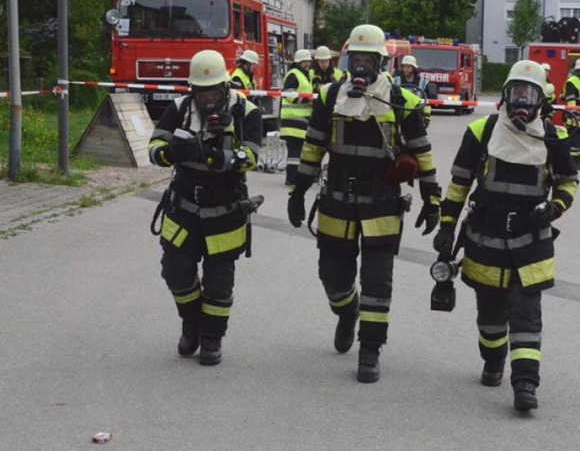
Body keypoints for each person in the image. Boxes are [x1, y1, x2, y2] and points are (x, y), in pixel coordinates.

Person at [287, 24, 440, 383]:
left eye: (368, 60)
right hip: (337, 204)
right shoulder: (330, 97)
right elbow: (313, 146)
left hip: (381, 206)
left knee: (377, 283)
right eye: (356, 58)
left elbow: (422, 152)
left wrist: (431, 197)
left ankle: (370, 350)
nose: (361, 66)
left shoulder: (402, 101)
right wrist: (298, 190)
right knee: (332, 277)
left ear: (381, 63)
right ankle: (346, 312)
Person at [432, 59, 578, 411]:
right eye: (517, 93)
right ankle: (493, 359)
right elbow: (459, 183)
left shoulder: (554, 137)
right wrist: (447, 226)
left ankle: (525, 383)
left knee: (527, 314)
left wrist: (555, 208)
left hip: (532, 244)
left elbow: (568, 182)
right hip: (486, 241)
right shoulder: (481, 132)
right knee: (490, 318)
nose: (522, 102)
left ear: (541, 100)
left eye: (529, 94)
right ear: (505, 95)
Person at [147, 49, 262, 366]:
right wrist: (171, 152)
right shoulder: (180, 108)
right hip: (183, 206)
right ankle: (191, 324)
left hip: (225, 208)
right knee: (175, 269)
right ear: (193, 90)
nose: (208, 99)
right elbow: (154, 147)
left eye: (213, 92)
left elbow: (251, 156)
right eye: (202, 92)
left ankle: (212, 338)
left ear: (225, 86)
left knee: (219, 281)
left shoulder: (246, 111)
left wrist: (213, 157)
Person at [280, 49, 314, 187]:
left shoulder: (304, 75)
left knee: (298, 151)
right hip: (292, 119)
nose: (307, 64)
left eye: (308, 62)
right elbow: (288, 94)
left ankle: (295, 176)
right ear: (298, 62)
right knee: (294, 151)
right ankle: (291, 178)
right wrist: (305, 100)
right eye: (304, 62)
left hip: (300, 119)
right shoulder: (294, 74)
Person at [393, 54, 436, 128]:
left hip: (417, 117)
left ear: (414, 68)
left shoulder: (423, 83)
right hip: (399, 117)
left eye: (408, 67)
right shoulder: (395, 81)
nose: (406, 69)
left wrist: (427, 117)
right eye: (404, 67)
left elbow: (427, 102)